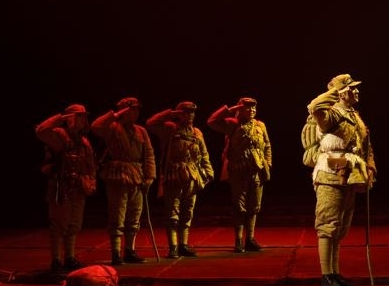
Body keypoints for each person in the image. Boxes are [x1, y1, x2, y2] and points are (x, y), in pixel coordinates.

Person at [306, 74, 376, 286]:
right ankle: (326, 276)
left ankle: (334, 273)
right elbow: (314, 106)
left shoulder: (354, 115)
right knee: (328, 225)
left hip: (351, 173)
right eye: (352, 88)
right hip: (329, 174)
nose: (357, 91)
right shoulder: (330, 114)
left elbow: (366, 145)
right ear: (343, 93)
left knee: (340, 227)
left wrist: (370, 167)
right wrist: (335, 91)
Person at [91, 97, 156, 265]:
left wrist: (150, 176)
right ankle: (116, 252)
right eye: (131, 110)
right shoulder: (112, 127)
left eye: (136, 110)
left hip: (137, 176)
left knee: (135, 215)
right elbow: (96, 127)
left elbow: (149, 154)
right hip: (118, 176)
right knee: (117, 214)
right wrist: (116, 114)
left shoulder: (141, 131)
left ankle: (130, 250)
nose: (135, 113)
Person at [146, 101, 215, 258]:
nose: (190, 115)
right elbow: (151, 123)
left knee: (187, 212)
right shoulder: (170, 129)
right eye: (186, 112)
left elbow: (204, 154)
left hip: (192, 176)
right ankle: (173, 246)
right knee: (173, 213)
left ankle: (183, 244)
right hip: (174, 176)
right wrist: (171, 113)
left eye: (192, 112)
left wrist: (208, 172)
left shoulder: (197, 133)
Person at [36, 104, 97, 272]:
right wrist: (62, 118)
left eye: (84, 116)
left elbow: (91, 166)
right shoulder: (59, 136)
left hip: (79, 187)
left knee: (74, 224)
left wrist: (91, 183)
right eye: (79, 116)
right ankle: (56, 259)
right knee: (58, 224)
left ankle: (70, 257)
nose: (83, 120)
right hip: (61, 187)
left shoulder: (84, 142)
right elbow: (41, 131)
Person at [207, 97, 272, 253]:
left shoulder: (260, 125)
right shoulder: (232, 124)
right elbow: (212, 121)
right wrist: (230, 109)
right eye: (248, 108)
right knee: (240, 206)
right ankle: (238, 240)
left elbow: (267, 145)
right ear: (240, 109)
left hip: (256, 169)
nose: (252, 110)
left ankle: (250, 239)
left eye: (254, 108)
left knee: (254, 206)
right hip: (238, 170)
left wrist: (268, 163)